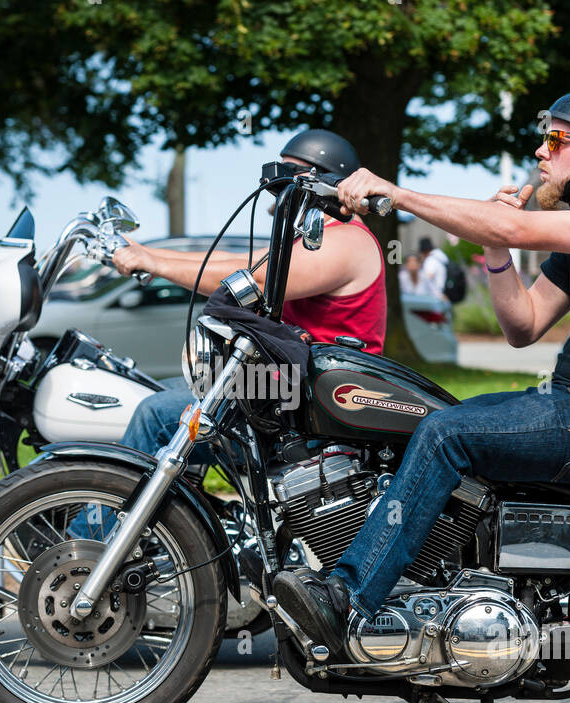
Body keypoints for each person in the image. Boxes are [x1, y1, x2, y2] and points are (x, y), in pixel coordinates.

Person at [271, 90, 570, 652]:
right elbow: (523, 325)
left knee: (446, 434)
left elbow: (518, 232)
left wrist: (397, 194)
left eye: (555, 140)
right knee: (435, 419)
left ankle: (347, 598)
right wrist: (496, 250)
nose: (540, 153)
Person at [96, 129, 387, 480]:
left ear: (324, 181)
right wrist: (145, 253)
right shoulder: (314, 237)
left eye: (287, 176)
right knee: (162, 391)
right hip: (288, 382)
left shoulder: (347, 242)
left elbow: (256, 282)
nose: (274, 185)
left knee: (156, 413)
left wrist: (154, 265)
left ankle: (100, 531)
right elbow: (237, 260)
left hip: (314, 395)